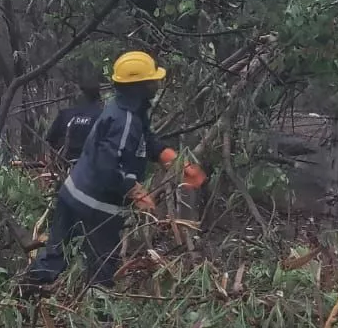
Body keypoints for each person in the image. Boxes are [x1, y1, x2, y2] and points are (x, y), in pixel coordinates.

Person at [20, 52, 205, 290]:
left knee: (54, 259)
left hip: (73, 194)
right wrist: (134, 191)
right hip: (94, 207)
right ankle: (99, 321)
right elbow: (108, 166)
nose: (156, 85)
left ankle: (20, 297)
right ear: (139, 87)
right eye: (152, 81)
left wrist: (173, 160)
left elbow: (144, 139)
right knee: (102, 272)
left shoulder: (125, 109)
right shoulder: (124, 119)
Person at [43, 71, 104, 165]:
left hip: (65, 167)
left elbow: (51, 140)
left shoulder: (65, 114)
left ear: (81, 93)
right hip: (93, 168)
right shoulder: (103, 116)